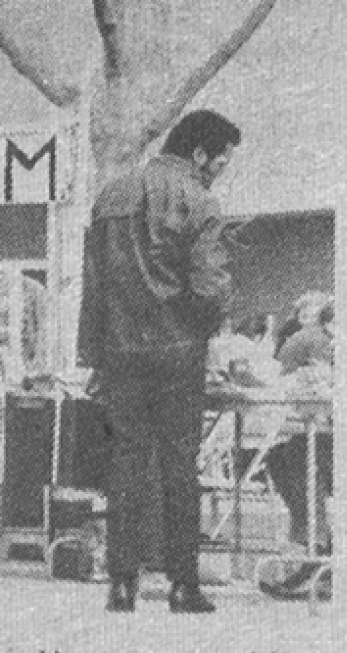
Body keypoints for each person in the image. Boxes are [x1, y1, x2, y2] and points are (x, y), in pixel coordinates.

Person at [78, 109, 240, 614]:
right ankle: (183, 584)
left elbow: (95, 288)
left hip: (121, 350)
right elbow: (210, 289)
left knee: (126, 459)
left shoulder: (111, 197)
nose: (219, 170)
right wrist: (198, 329)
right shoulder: (202, 202)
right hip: (178, 354)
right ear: (197, 154)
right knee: (178, 464)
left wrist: (94, 355)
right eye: (219, 161)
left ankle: (121, 583)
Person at [261, 301, 334, 598]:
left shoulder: (316, 339)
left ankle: (317, 547)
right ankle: (317, 547)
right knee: (291, 456)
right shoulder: (322, 341)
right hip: (328, 430)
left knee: (290, 458)